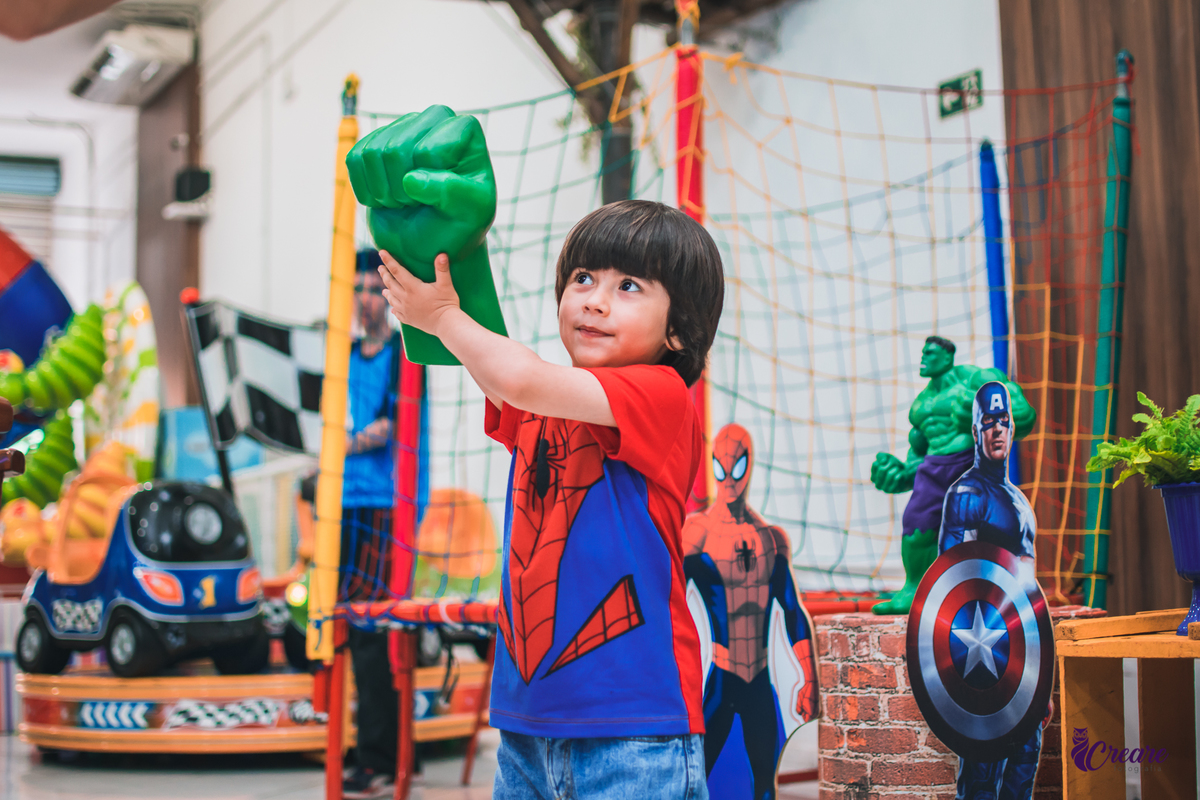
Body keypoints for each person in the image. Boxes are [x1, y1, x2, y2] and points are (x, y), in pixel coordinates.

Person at [378, 198, 724, 800]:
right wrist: (439, 256)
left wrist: (443, 317)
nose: (594, 300)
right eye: (583, 278)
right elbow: (499, 369)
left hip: (634, 730)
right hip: (527, 726)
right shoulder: (542, 407)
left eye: (629, 286)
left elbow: (518, 376)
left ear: (677, 330)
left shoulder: (661, 394)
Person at [683, 423, 818, 799]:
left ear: (749, 464)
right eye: (720, 468)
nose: (728, 479)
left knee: (765, 785)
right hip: (721, 676)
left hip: (758, 679)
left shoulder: (771, 539)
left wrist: (809, 677)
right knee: (692, 777)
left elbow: (792, 611)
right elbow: (666, 600)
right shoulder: (697, 534)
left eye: (737, 467)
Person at [869, 336, 1035, 615]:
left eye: (930, 352)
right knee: (916, 525)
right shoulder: (921, 405)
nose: (923, 357)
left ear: (948, 356)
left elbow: (1023, 414)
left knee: (985, 527)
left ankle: (998, 591)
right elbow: (918, 450)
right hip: (934, 468)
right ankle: (915, 591)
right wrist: (901, 473)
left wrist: (984, 414)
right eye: (923, 351)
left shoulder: (976, 380)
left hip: (971, 462)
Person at [940, 381, 1042, 800]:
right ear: (976, 430)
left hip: (1020, 656)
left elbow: (1031, 596)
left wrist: (1042, 677)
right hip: (978, 655)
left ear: (1012, 428)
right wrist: (963, 675)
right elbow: (950, 585)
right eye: (988, 422)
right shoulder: (967, 494)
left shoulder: (1019, 502)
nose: (997, 429)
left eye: (1003, 421)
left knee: (1024, 758)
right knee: (982, 773)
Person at [341, 248, 403, 800]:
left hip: (382, 507)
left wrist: (340, 444)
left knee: (371, 631)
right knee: (337, 628)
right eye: (357, 288)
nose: (364, 299)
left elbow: (388, 427)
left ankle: (380, 759)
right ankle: (362, 748)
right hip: (338, 505)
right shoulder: (340, 356)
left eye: (372, 289)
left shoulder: (402, 355)